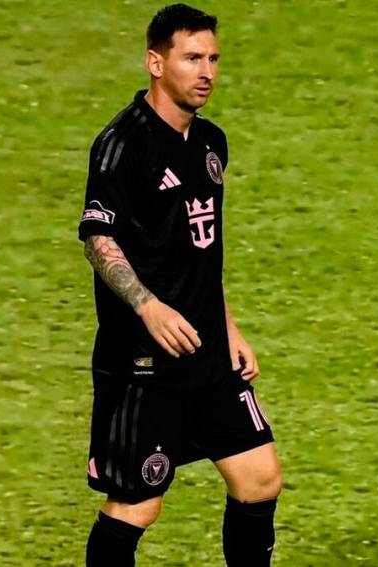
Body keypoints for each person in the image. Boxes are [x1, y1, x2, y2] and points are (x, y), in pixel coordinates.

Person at [77, 4, 283, 565]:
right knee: (137, 505)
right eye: (192, 58)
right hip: (145, 365)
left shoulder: (211, 144)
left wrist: (229, 327)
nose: (206, 72)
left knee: (259, 477)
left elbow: (201, 253)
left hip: (208, 353)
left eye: (213, 59)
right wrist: (148, 307)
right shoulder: (122, 145)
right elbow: (98, 239)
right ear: (155, 62)